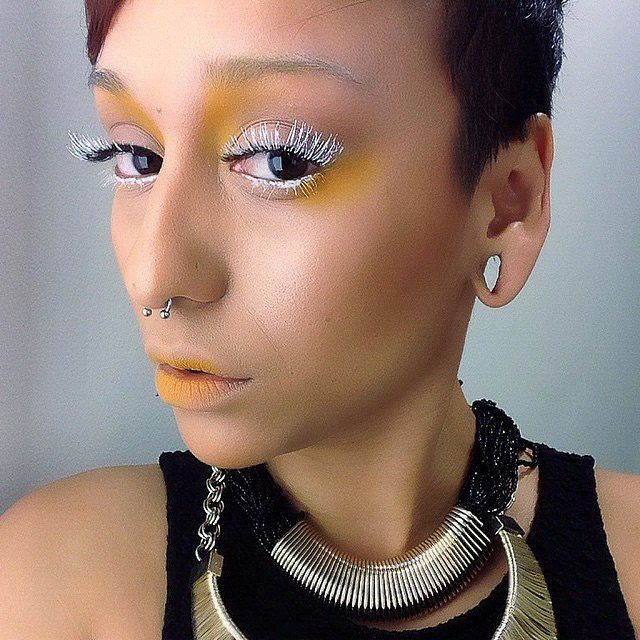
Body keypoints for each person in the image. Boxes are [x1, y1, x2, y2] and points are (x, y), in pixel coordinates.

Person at [1, 1, 638, 638]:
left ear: (507, 201)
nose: (154, 276)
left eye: (280, 159)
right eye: (137, 157)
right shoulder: (49, 584)